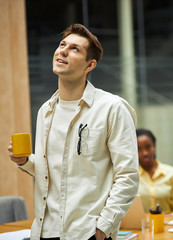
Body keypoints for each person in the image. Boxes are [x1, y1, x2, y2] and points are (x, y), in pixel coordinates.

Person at [7, 24, 139, 240]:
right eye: (62, 45)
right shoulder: (45, 111)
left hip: (87, 233)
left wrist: (103, 228)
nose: (63, 51)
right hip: (43, 231)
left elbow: (128, 176)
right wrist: (25, 162)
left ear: (90, 64)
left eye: (75, 49)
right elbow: (52, 173)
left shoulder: (112, 108)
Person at [136, 128, 173, 214]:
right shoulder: (130, 175)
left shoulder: (171, 173)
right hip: (139, 225)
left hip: (167, 224)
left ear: (154, 146)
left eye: (148, 147)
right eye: (139, 149)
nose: (145, 153)